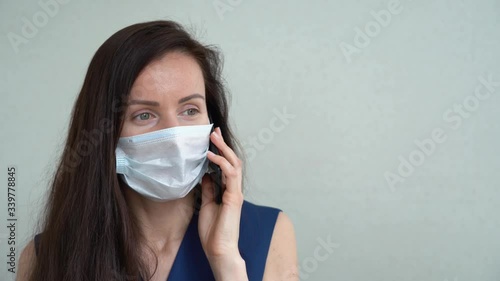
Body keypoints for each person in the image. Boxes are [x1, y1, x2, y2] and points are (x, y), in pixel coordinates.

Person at [16, 20, 298, 281]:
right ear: (104, 134)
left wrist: (227, 262)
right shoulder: (45, 256)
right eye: (144, 115)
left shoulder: (269, 234)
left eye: (190, 110)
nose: (173, 136)